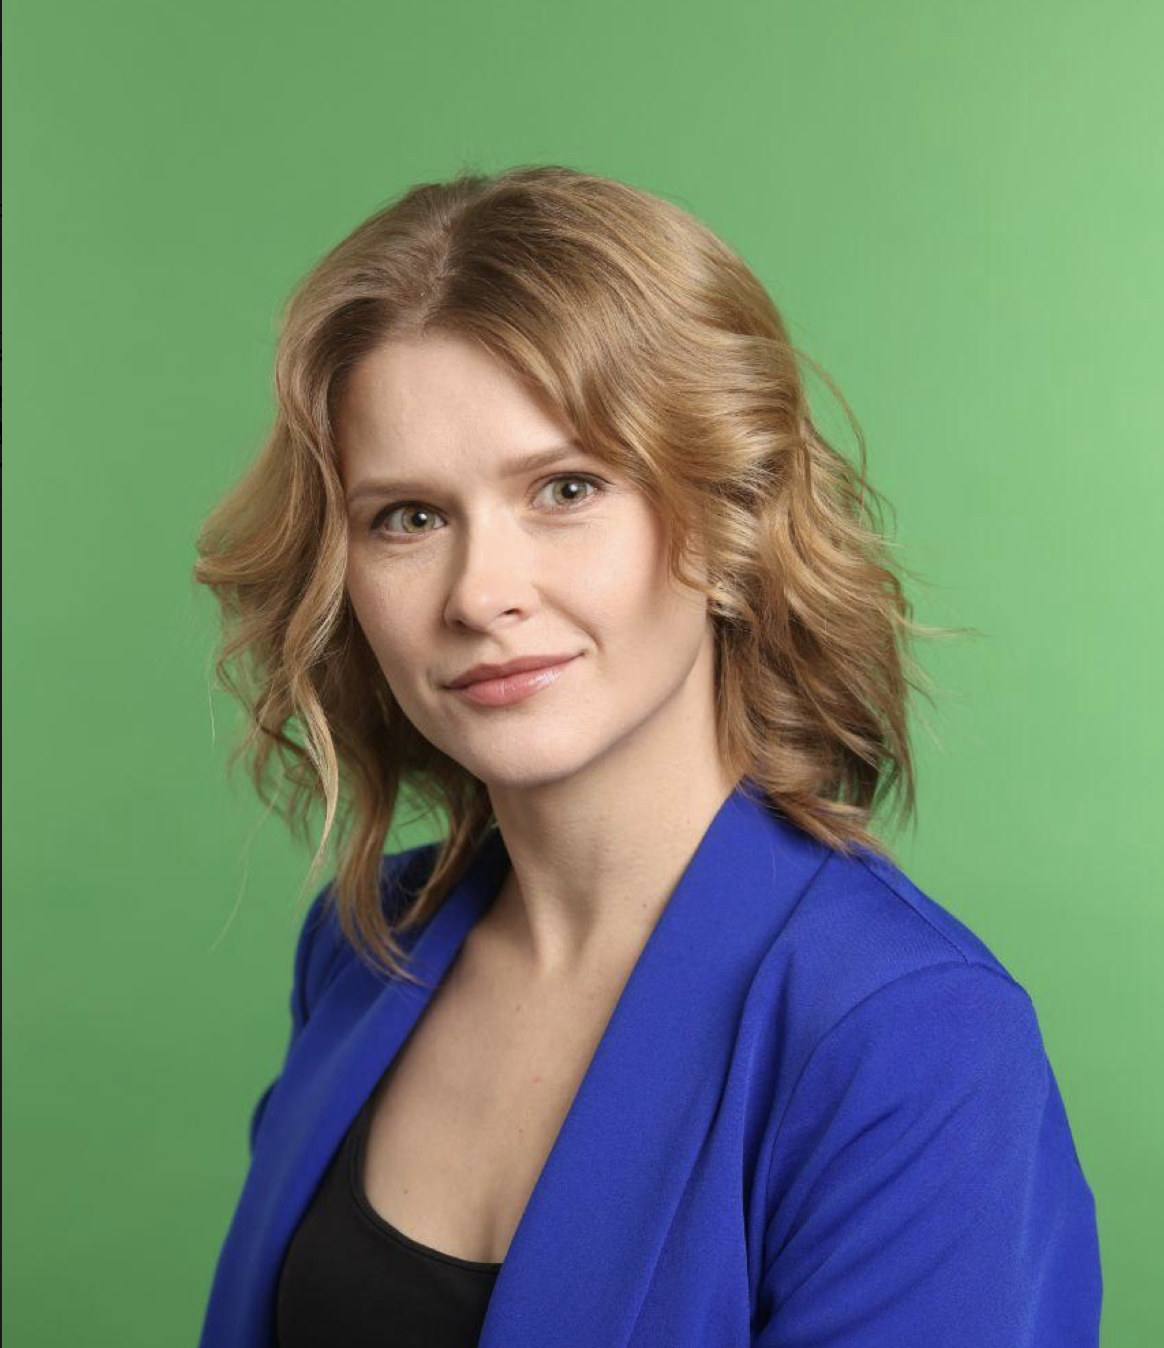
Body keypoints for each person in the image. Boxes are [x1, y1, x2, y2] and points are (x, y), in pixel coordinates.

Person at [193, 165, 1102, 1347]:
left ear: (730, 516)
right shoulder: (366, 945)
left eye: (565, 489)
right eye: (408, 517)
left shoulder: (912, 1038)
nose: (480, 594)